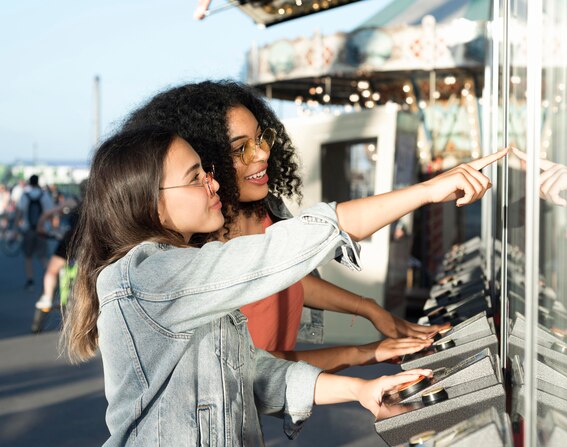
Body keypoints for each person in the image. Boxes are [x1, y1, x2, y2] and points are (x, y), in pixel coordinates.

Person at [62, 126, 506, 446]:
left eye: (207, 170)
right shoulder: (147, 275)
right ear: (151, 204)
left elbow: (251, 373)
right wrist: (425, 192)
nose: (214, 182)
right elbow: (276, 253)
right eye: (196, 177)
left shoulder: (182, 271)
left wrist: (360, 388)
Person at [122, 80, 450, 372]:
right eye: (240, 149)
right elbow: (253, 373)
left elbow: (289, 275)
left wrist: (369, 310)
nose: (262, 153)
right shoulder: (185, 265)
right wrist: (427, 191)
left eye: (261, 139)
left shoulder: (264, 211)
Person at [33, 180, 85, 312]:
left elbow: (47, 214)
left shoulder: (74, 201)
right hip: (89, 244)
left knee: (51, 271)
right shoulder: (99, 204)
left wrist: (40, 226)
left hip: (70, 241)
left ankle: (48, 298)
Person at [16, 175, 53, 289]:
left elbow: (20, 211)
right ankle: (50, 278)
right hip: (42, 229)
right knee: (43, 256)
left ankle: (30, 280)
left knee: (28, 256)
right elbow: (49, 211)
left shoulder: (25, 195)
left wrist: (17, 226)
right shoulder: (44, 195)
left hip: (28, 229)